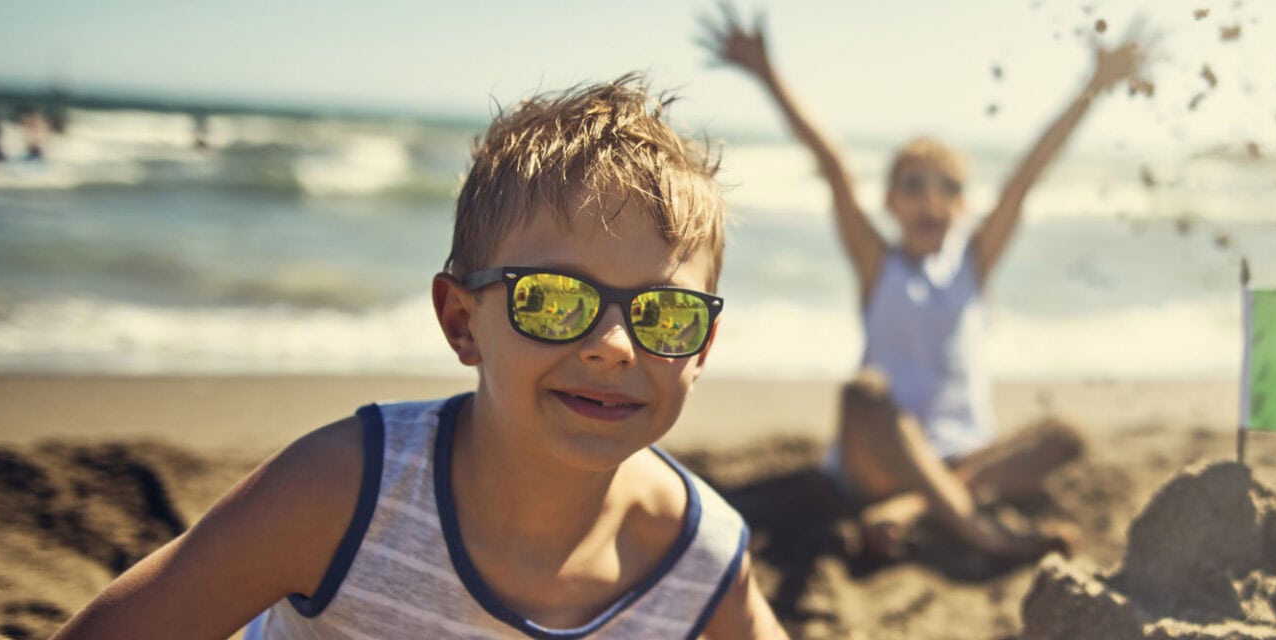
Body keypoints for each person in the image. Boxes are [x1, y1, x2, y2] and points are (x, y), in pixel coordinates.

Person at [51, 75, 789, 640]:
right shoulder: (347, 492)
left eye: (665, 314)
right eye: (555, 298)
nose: (612, 345)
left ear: (702, 349)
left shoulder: (702, 556)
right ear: (461, 321)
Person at [700, 5, 1142, 561]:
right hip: (874, 465)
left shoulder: (973, 264)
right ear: (890, 201)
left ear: (961, 205)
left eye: (947, 186)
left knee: (1065, 435)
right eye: (913, 185)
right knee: (863, 394)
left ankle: (912, 511)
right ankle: (980, 533)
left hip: (962, 458)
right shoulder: (877, 265)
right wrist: (766, 74)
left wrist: (1094, 85)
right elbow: (831, 164)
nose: (930, 198)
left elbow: (1028, 173)